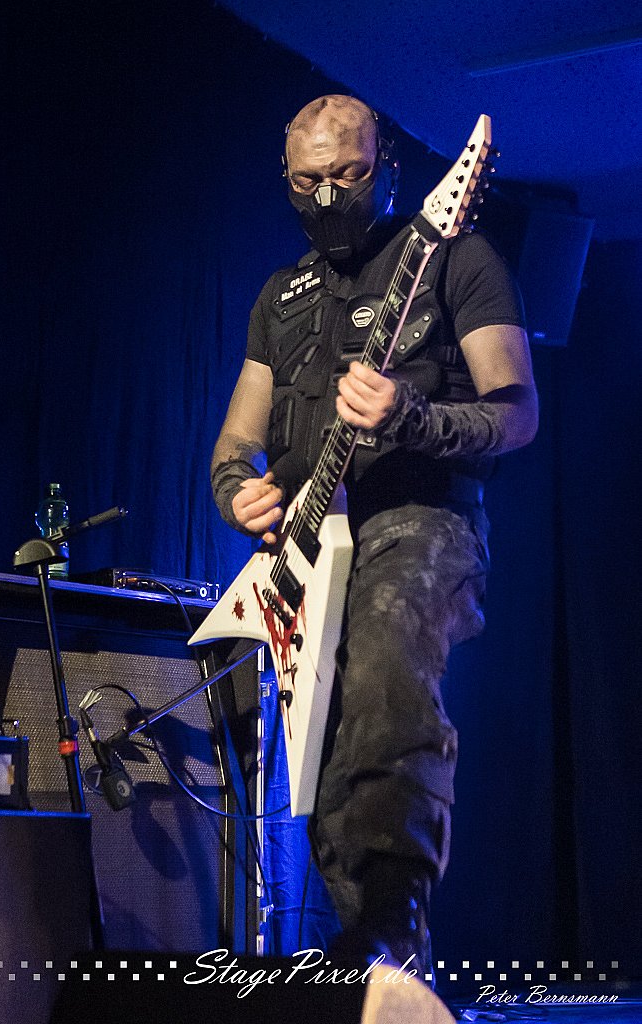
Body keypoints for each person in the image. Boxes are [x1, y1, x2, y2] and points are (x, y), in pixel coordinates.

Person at [210, 94, 538, 978]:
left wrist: (413, 416)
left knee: (385, 679)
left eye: (348, 175)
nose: (327, 197)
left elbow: (516, 414)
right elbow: (235, 442)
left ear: (387, 169)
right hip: (307, 551)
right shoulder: (279, 297)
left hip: (420, 518)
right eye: (307, 181)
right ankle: (378, 969)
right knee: (320, 748)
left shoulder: (454, 255)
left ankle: (390, 922)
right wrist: (238, 492)